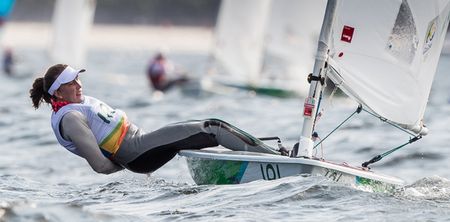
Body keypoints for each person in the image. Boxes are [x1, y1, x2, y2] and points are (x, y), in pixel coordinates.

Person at [29, 64, 281, 174]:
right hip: (138, 152)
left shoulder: (74, 102)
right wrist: (129, 162)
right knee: (212, 127)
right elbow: (100, 166)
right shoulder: (70, 118)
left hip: (141, 143)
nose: (78, 84)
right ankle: (279, 159)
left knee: (202, 127)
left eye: (77, 78)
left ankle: (267, 153)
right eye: (70, 82)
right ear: (57, 92)